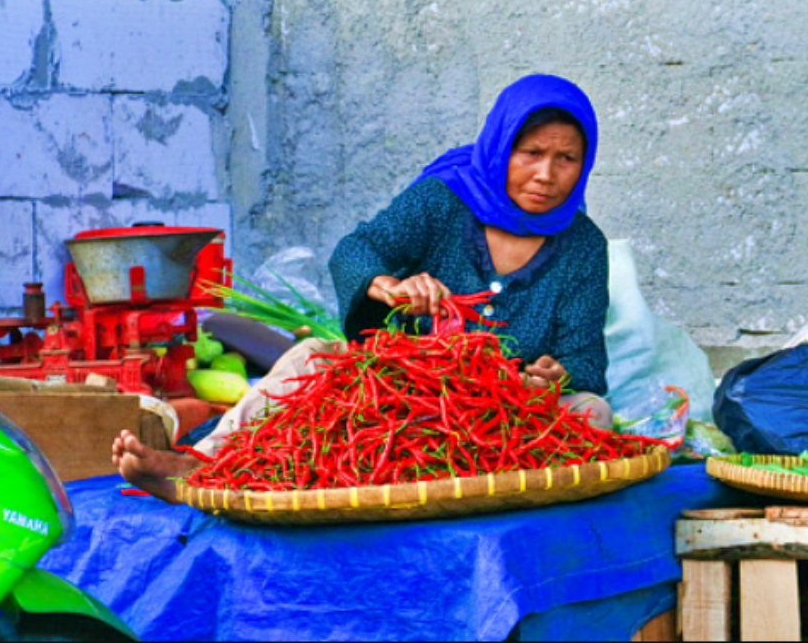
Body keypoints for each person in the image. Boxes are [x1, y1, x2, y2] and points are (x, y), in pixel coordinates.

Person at [112, 73, 611, 503]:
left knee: (593, 412)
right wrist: (388, 286)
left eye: (566, 159)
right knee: (312, 356)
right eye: (531, 153)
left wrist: (554, 375)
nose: (546, 175)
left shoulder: (582, 246)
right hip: (401, 388)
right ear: (501, 147)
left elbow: (586, 360)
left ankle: (486, 492)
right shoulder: (442, 202)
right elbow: (355, 250)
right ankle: (198, 466)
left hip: (498, 413)